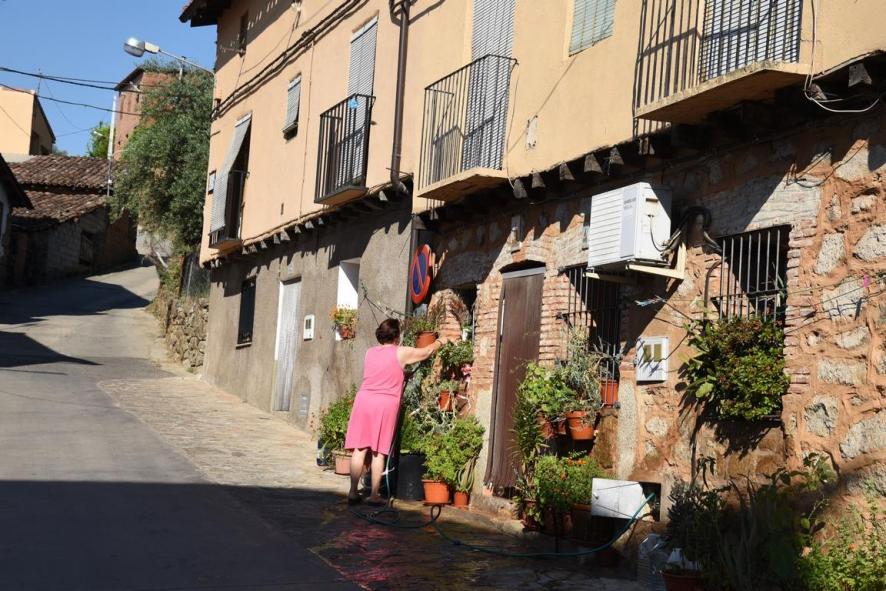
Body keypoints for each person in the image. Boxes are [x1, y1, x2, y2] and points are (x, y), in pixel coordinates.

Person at [344, 318, 446, 505]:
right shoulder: (401, 352)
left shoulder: (369, 352)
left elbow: (380, 373)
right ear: (397, 336)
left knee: (360, 448)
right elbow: (426, 352)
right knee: (378, 450)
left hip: (364, 401)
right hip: (384, 404)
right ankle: (374, 495)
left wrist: (401, 375)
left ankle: (352, 492)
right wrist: (441, 341)